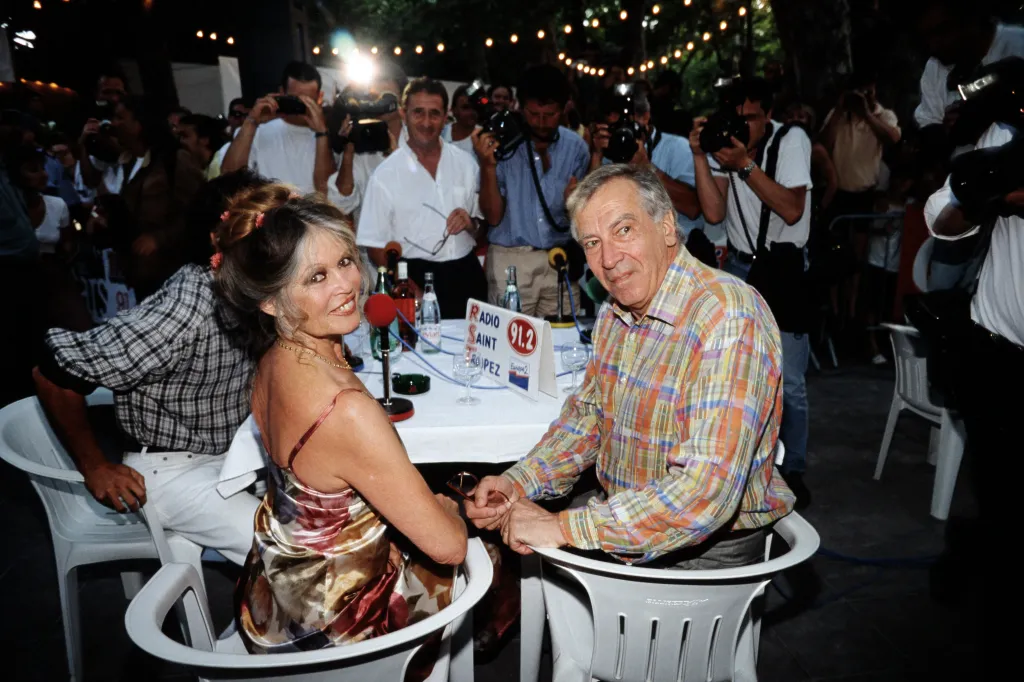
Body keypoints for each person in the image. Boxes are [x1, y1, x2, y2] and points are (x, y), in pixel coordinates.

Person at [464, 164, 793, 565]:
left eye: (623, 231)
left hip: (703, 552)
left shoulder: (728, 316)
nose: (608, 259)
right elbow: (587, 420)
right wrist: (518, 482)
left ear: (667, 227)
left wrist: (563, 527)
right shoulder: (615, 311)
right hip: (626, 518)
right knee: (499, 557)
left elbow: (704, 493)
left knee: (516, 562)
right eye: (592, 242)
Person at [214, 184, 465, 653]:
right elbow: (448, 547)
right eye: (316, 277)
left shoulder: (272, 361)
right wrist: (452, 510)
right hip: (338, 626)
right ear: (270, 302)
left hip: (278, 590)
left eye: (346, 262)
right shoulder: (344, 409)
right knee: (487, 551)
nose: (346, 286)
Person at [32, 170, 268, 564]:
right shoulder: (189, 308)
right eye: (250, 224)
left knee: (330, 518)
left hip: (231, 457)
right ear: (216, 237)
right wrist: (95, 466)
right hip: (170, 472)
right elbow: (53, 373)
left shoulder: (251, 289)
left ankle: (257, 625)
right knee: (291, 553)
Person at [690, 77, 814, 508]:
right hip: (742, 266)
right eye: (736, 118)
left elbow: (791, 208)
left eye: (751, 118)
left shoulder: (791, 140)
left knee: (790, 380)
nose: (743, 126)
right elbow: (712, 211)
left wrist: (745, 164)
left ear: (768, 115)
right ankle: (750, 466)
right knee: (740, 374)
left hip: (783, 267)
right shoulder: (727, 148)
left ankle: (793, 468)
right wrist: (700, 156)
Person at [357, 78, 486, 318]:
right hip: (412, 277)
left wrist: (471, 224)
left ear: (446, 116)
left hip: (466, 274)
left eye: (434, 114)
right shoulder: (385, 174)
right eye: (418, 113)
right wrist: (402, 282)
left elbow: (481, 228)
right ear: (403, 113)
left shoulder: (466, 163)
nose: (426, 122)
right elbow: (374, 245)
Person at [474, 64, 590, 317]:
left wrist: (575, 204)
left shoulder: (577, 148)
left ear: (564, 108)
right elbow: (493, 217)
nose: (540, 123)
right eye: (533, 113)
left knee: (562, 341)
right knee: (510, 347)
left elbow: (583, 220)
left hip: (560, 260)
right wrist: (488, 167)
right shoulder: (501, 146)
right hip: (511, 260)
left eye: (549, 115)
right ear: (519, 106)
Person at [96, 95, 205, 299]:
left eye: (120, 117)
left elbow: (198, 210)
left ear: (139, 125)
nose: (113, 123)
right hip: (139, 271)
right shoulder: (125, 162)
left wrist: (159, 238)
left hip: (171, 272)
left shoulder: (174, 160)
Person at [221, 61, 335, 195]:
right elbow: (228, 176)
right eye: (294, 98)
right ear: (281, 92)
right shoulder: (256, 131)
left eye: (308, 100)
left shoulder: (328, 134)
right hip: (271, 212)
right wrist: (251, 122)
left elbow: (327, 190)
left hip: (313, 214)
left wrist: (322, 133)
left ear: (319, 97)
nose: (299, 105)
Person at [329, 70, 408, 227]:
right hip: (371, 247)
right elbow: (341, 204)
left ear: (401, 102)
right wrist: (349, 149)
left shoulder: (419, 142)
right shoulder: (361, 143)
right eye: (373, 98)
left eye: (385, 99)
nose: (377, 105)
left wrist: (397, 159)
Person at [178, 113, 229, 179]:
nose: (181, 141)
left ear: (204, 139)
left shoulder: (220, 164)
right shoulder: (202, 169)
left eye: (185, 136)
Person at [442, 83, 479, 160]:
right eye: (466, 107)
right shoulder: (441, 133)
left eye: (475, 107)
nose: (471, 112)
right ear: (454, 110)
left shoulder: (483, 137)